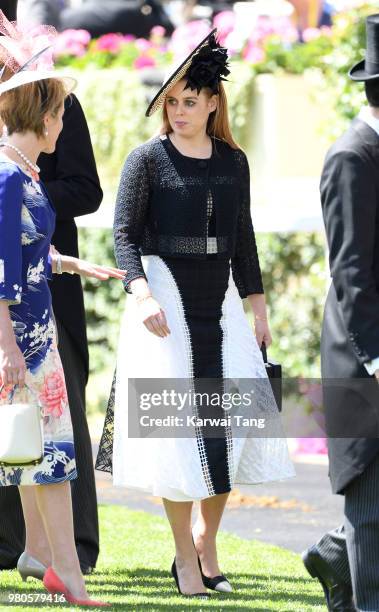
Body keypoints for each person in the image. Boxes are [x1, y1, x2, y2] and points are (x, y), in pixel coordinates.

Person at [96, 28, 294, 598]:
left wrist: (257, 306)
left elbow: (244, 236)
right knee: (177, 432)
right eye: (172, 102)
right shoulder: (146, 159)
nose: (179, 111)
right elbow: (125, 234)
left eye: (189, 101)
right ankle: (185, 557)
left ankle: (208, 541)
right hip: (164, 298)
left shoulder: (234, 162)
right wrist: (142, 294)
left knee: (230, 422)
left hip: (223, 300)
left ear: (212, 102)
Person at [0, 11, 125, 605]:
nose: (62, 126)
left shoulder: (21, 178)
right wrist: (8, 352)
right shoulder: (7, 180)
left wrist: (77, 265)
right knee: (48, 454)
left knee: (41, 452)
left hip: (37, 330)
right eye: (56, 117)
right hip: (21, 339)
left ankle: (46, 558)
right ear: (40, 116)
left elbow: (27, 255)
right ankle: (62, 572)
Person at [302, 14, 379, 612]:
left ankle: (333, 553)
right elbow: (350, 271)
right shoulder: (352, 157)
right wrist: (377, 355)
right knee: (372, 508)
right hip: (364, 358)